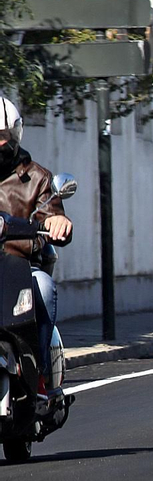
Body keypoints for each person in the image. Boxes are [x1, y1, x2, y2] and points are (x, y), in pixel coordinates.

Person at [0, 95, 73, 424]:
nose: (0, 142)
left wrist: (57, 222)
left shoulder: (36, 178)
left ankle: (40, 375)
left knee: (43, 287)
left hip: (18, 268)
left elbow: (51, 211)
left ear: (15, 136)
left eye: (4, 135)